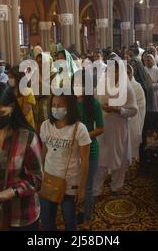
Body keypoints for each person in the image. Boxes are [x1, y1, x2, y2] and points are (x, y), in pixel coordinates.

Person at [0, 82, 43, 230]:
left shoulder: (27, 137)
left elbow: (36, 178)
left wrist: (4, 194)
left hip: (21, 215)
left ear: (11, 108)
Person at [39, 95, 91, 231]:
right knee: (46, 220)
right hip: (49, 180)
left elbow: (85, 161)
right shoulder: (46, 125)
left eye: (60, 105)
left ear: (70, 107)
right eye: (54, 105)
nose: (56, 108)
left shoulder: (80, 129)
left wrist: (82, 188)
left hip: (70, 182)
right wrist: (40, 174)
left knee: (70, 221)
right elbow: (45, 150)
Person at [94, 61, 138, 196]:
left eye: (116, 71)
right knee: (101, 158)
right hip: (103, 127)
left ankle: (116, 186)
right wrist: (101, 106)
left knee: (119, 157)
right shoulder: (103, 84)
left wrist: (117, 109)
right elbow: (95, 101)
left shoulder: (127, 88)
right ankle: (96, 189)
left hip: (119, 127)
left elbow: (133, 110)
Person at [72, 71, 104, 231]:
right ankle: (80, 210)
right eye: (76, 83)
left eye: (82, 84)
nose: (78, 86)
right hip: (72, 150)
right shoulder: (70, 102)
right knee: (74, 184)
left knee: (88, 186)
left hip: (90, 149)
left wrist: (83, 136)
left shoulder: (94, 104)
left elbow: (100, 128)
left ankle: (87, 220)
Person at [126, 65, 146, 165]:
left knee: (132, 142)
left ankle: (132, 163)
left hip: (133, 118)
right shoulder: (118, 85)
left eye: (128, 73)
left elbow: (140, 105)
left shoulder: (137, 86)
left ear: (132, 73)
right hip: (121, 117)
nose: (126, 75)